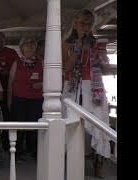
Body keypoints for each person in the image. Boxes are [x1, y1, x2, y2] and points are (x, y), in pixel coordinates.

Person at [61, 9, 111, 179]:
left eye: (90, 24)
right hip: (74, 88)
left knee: (99, 126)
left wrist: (104, 57)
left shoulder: (98, 44)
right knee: (72, 126)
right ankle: (73, 164)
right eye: (83, 23)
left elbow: (106, 70)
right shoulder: (67, 44)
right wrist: (78, 47)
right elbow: (66, 68)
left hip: (94, 89)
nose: (86, 27)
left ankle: (99, 164)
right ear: (75, 24)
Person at [7, 36, 44, 161]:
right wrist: (9, 100)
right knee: (19, 124)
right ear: (22, 47)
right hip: (19, 98)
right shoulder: (17, 63)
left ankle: (34, 150)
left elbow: (50, 79)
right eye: (27, 43)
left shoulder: (41, 61)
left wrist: (42, 84)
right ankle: (18, 152)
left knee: (35, 125)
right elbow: (11, 82)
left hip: (36, 98)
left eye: (32, 43)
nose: (30, 45)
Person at [0, 31, 20, 151]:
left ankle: (7, 142)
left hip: (8, 86)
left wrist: (7, 71)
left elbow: (18, 67)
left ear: (5, 41)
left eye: (1, 41)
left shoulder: (12, 52)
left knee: (8, 114)